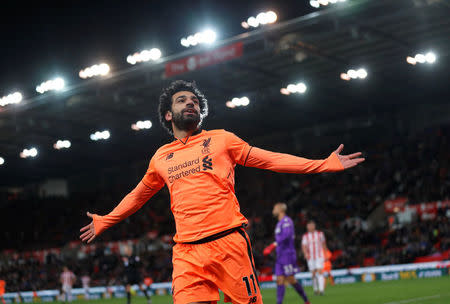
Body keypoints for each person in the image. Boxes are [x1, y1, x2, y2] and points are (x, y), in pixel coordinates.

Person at [80, 80, 365, 304]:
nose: (189, 103)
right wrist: (107, 219)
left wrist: (321, 165)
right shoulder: (160, 157)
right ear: (168, 115)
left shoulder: (221, 140)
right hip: (187, 252)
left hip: (229, 244)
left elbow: (270, 159)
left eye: (194, 101)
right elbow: (138, 195)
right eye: (182, 100)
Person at [263, 202, 309, 304]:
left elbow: (287, 235)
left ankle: (306, 300)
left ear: (280, 210)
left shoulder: (287, 221)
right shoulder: (279, 223)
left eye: (274, 208)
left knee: (291, 280)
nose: (273, 211)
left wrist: (273, 245)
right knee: (279, 280)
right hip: (280, 256)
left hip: (288, 255)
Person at [302, 221, 327, 295]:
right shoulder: (305, 236)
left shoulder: (320, 234)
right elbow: (303, 246)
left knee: (320, 271)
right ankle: (316, 289)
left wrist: (325, 254)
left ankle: (322, 290)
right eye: (308, 226)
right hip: (310, 257)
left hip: (319, 256)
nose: (310, 227)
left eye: (311, 225)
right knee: (313, 273)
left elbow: (324, 244)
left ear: (314, 226)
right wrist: (305, 254)